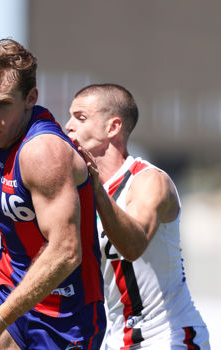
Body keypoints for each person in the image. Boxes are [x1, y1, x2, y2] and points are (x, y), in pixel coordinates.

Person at [0, 31, 106, 350]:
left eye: (3, 104)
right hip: (7, 289)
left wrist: (2, 316)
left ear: (31, 98)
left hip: (66, 311)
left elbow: (66, 252)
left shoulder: (43, 152)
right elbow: (10, 211)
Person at [65, 83, 210, 350]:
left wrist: (97, 191)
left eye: (80, 117)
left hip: (169, 337)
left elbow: (133, 245)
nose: (68, 126)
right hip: (114, 341)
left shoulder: (148, 181)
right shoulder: (81, 191)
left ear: (112, 127)